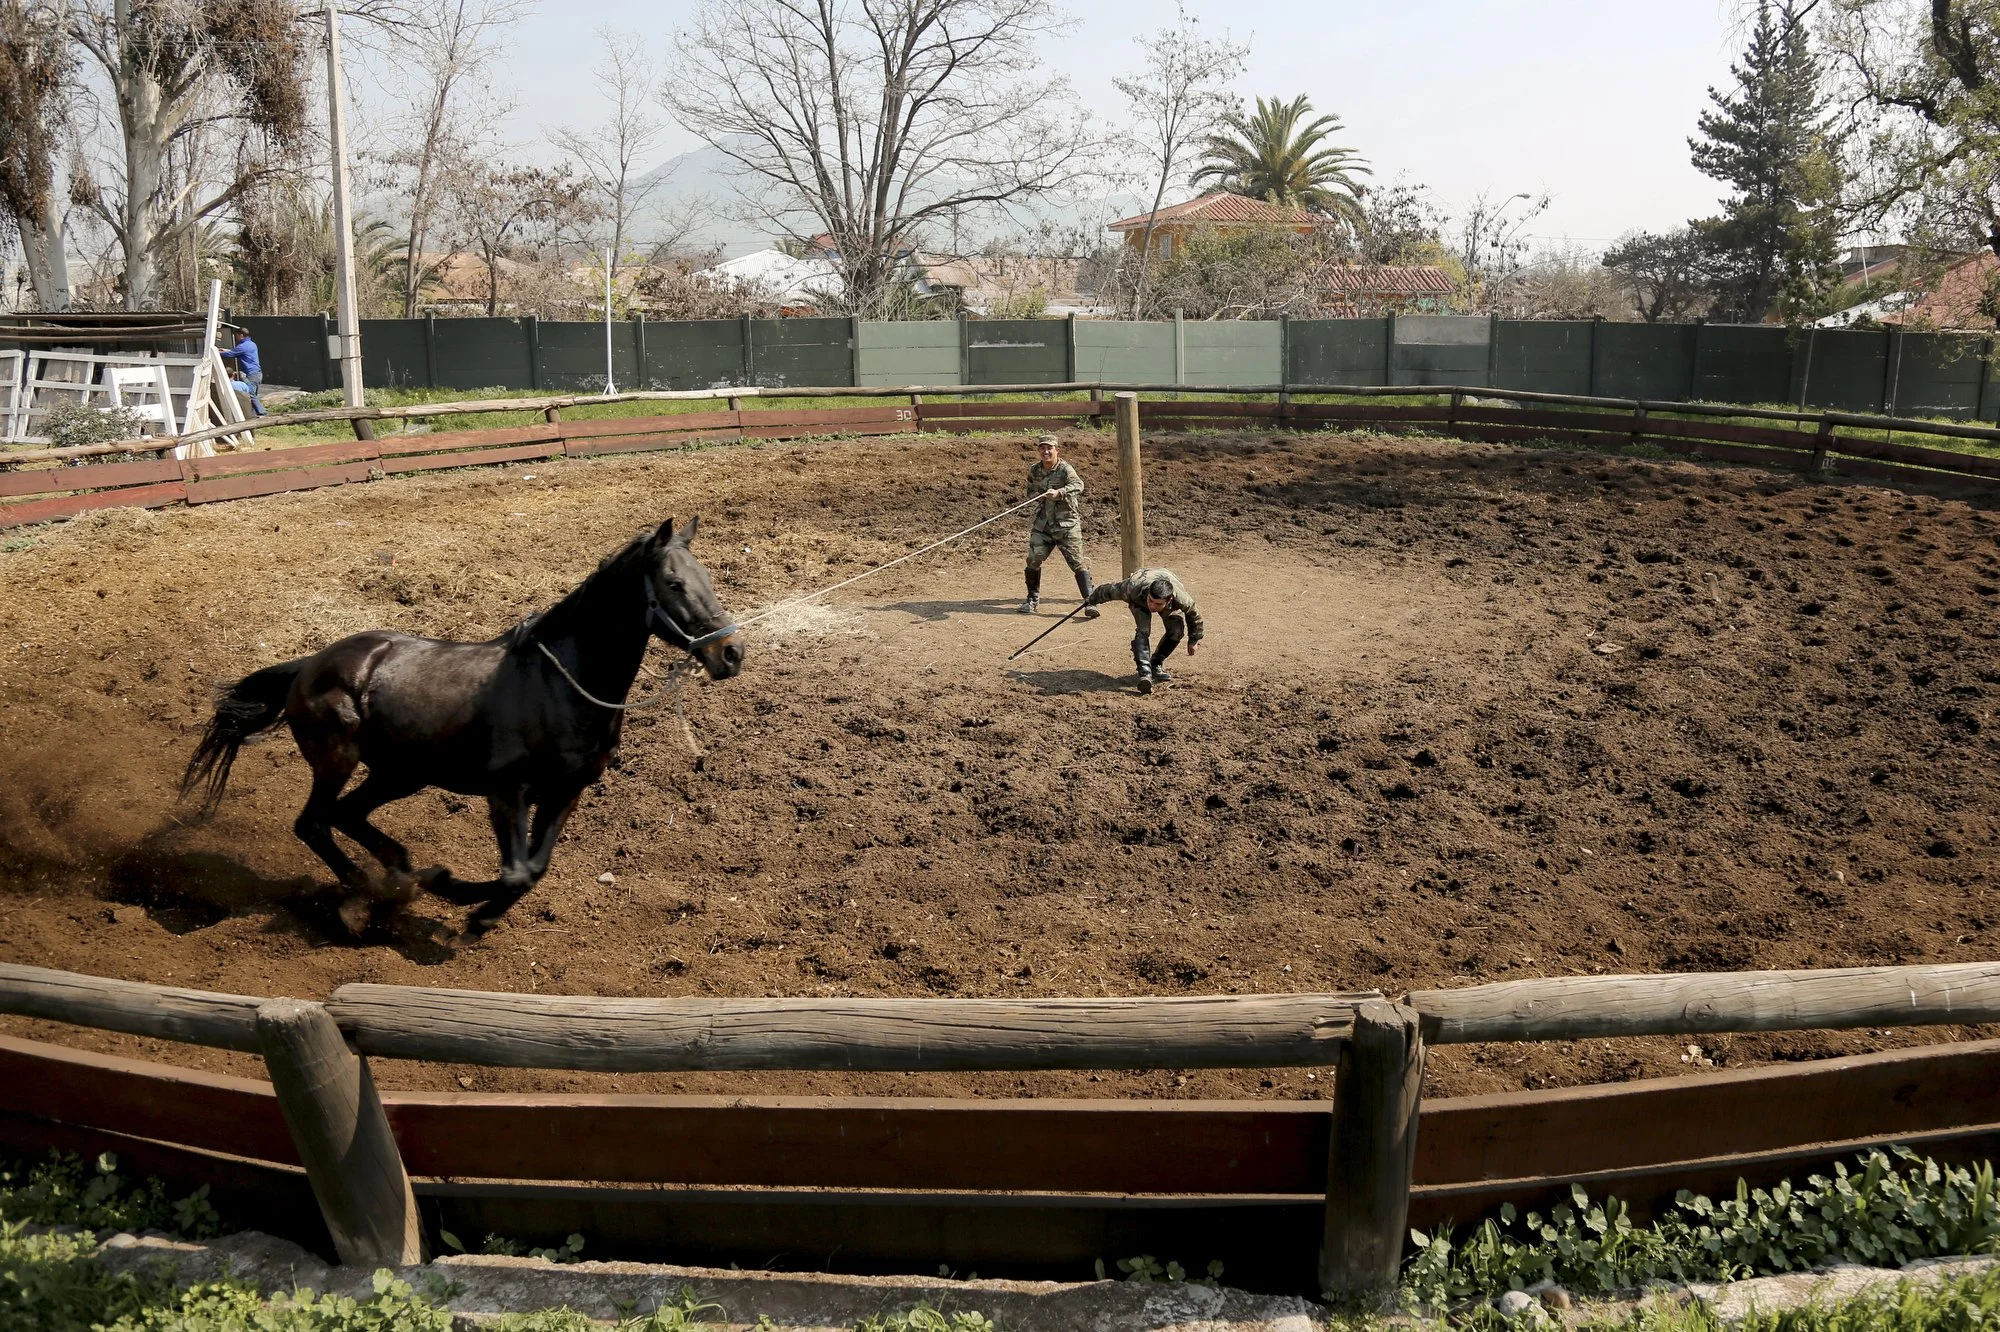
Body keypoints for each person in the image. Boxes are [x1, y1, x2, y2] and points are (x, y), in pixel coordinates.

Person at [1084, 568, 1204, 695]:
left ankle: (1155, 664)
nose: (1152, 606)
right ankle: (1145, 675)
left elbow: (1194, 615)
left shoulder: (1182, 599)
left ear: (1168, 600)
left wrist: (1194, 639)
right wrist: (1091, 599)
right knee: (1143, 630)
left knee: (1176, 631)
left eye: (1157, 604)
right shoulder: (1133, 588)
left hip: (1168, 592)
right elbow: (1109, 590)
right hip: (1139, 601)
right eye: (1151, 600)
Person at [1020, 434, 1098, 618]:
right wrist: (1036, 495)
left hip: (1066, 525)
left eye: (1049, 448)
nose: (1046, 452)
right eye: (1042, 448)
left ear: (1057, 450)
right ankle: (1031, 599)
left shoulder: (1065, 469)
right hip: (1043, 524)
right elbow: (1030, 489)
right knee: (1033, 559)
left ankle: (1090, 601)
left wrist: (1060, 492)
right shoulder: (1035, 470)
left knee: (1077, 563)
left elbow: (1079, 485)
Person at [218, 326, 266, 417]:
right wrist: (225, 350)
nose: (236, 338)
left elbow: (231, 354)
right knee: (251, 394)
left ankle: (262, 413)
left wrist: (217, 352)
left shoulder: (243, 346)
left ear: (241, 335)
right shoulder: (252, 344)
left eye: (236, 335)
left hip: (252, 374)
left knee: (251, 393)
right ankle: (254, 414)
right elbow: (236, 352)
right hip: (256, 373)